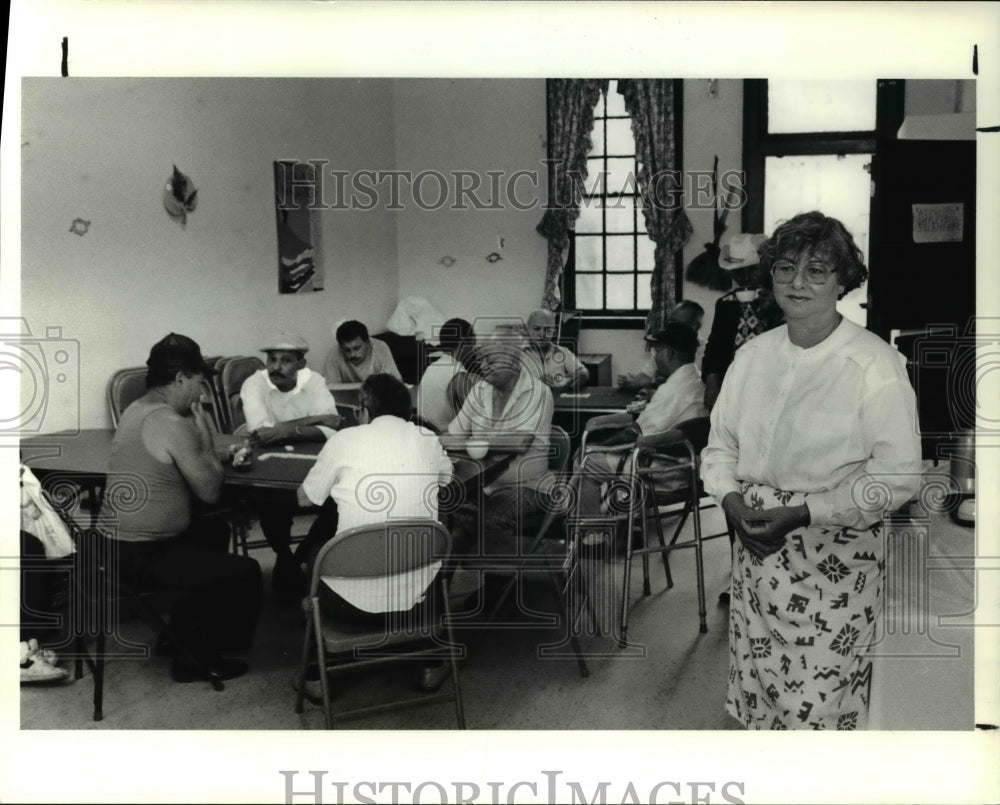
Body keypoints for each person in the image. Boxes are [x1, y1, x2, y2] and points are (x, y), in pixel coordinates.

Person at [701, 211, 922, 730]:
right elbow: (720, 447)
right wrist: (731, 503)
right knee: (760, 693)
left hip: (833, 559)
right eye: (785, 268)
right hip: (755, 551)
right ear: (769, 276)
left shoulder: (874, 365)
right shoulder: (752, 357)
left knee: (821, 705)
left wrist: (803, 513)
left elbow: (898, 475)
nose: (798, 282)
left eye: (818, 270)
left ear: (843, 280)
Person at [103, 333, 262, 683]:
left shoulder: (137, 409)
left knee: (213, 531)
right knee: (246, 571)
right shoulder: (172, 423)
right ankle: (195, 660)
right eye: (198, 383)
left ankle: (177, 636)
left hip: (115, 549)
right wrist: (202, 420)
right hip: (142, 554)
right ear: (179, 379)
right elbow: (210, 489)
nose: (201, 392)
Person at [294, 373, 455, 694]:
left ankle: (316, 678)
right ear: (408, 413)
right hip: (416, 602)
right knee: (428, 545)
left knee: (311, 556)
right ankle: (430, 664)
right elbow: (446, 478)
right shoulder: (426, 437)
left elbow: (303, 498)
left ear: (364, 411)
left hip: (347, 606)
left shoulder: (344, 440)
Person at [239, 332, 342, 599]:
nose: (276, 367)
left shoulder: (315, 381)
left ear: (301, 363)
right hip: (272, 471)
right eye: (271, 359)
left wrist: (284, 429)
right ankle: (284, 556)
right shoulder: (254, 384)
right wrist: (313, 422)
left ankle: (301, 556)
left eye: (285, 360)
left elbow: (332, 429)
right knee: (269, 504)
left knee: (337, 506)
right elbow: (261, 432)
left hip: (312, 469)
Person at [574, 323, 708, 521]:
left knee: (586, 462)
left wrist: (594, 447)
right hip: (690, 469)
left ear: (670, 354)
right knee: (606, 455)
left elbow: (634, 434)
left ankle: (593, 538)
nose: (654, 356)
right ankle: (622, 519)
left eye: (657, 350)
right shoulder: (698, 381)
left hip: (664, 473)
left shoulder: (672, 390)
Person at [445, 333, 555, 548]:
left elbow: (519, 442)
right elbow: (452, 435)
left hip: (528, 486)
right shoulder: (479, 390)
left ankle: (492, 578)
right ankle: (460, 575)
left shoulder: (538, 392)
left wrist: (472, 442)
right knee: (446, 511)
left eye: (490, 360)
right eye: (480, 359)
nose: (482, 366)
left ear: (513, 361)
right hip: (482, 484)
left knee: (489, 519)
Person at [701, 233, 784, 411]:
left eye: (751, 270)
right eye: (738, 271)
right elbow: (714, 348)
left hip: (770, 386)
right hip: (733, 386)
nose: (744, 277)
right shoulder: (725, 304)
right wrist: (711, 379)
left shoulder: (779, 302)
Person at [617, 300, 704, 394]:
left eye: (676, 323)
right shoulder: (666, 346)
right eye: (670, 321)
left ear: (696, 326)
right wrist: (631, 381)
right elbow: (645, 377)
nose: (671, 326)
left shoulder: (707, 354)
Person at [414, 317, 481, 432]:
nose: (473, 350)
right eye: (473, 343)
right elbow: (477, 417)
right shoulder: (457, 374)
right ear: (463, 343)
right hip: (445, 439)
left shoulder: (432, 367)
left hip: (426, 433)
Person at [522, 309, 589, 392]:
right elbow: (509, 387)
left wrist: (579, 376)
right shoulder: (518, 355)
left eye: (548, 330)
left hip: (557, 401)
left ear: (554, 332)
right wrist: (536, 384)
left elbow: (583, 372)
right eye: (536, 328)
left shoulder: (562, 352)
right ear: (526, 330)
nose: (542, 334)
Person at [323, 320, 402, 383]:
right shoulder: (334, 352)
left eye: (357, 348)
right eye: (347, 350)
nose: (352, 354)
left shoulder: (380, 347)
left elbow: (396, 382)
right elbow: (330, 387)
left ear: (368, 343)